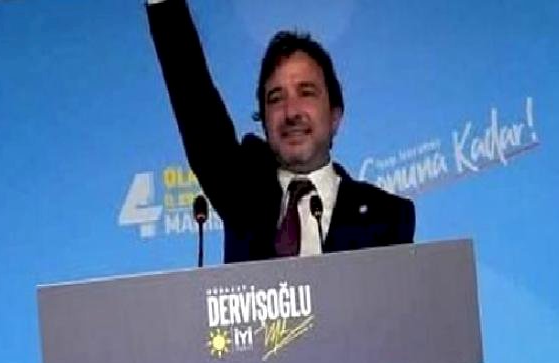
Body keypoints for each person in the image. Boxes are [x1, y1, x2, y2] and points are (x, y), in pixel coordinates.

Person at [146, 0, 415, 263]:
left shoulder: (387, 215)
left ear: (335, 116)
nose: (291, 112)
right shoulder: (242, 189)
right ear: (263, 122)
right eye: (276, 98)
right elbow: (192, 95)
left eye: (306, 92)